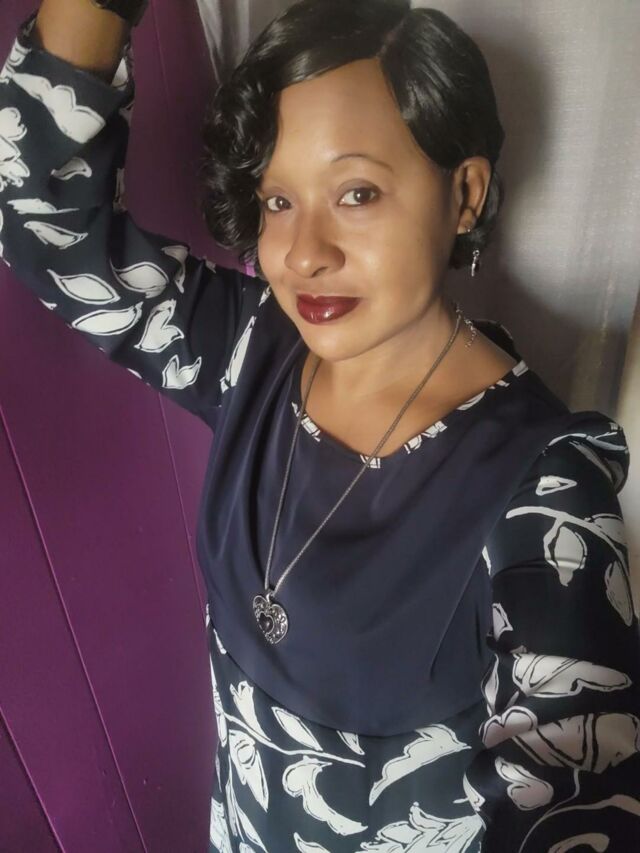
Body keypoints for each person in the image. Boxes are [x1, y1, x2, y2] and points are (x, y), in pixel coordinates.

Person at [1, 0, 639, 850]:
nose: (304, 253)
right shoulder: (250, 348)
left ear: (464, 193)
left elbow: (577, 806)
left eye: (357, 193)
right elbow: (48, 229)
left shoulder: (546, 496)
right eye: (278, 199)